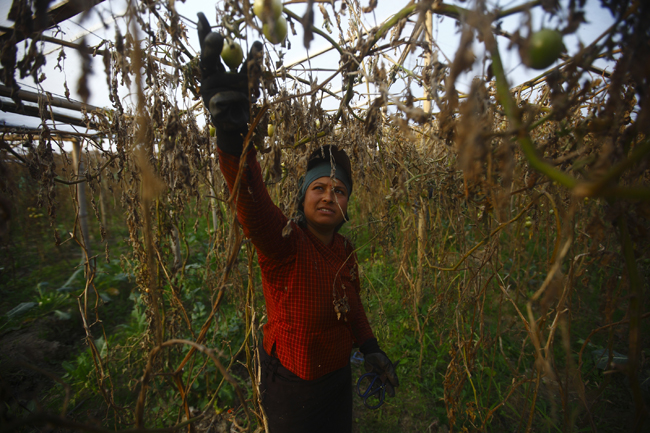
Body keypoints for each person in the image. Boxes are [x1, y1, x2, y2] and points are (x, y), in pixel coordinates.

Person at [197, 13, 399, 432]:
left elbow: (352, 305)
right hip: (291, 385)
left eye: (339, 190)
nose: (329, 196)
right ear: (302, 197)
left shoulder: (344, 251)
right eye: (319, 188)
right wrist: (235, 142)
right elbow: (251, 207)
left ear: (347, 203)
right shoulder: (284, 243)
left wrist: (371, 347)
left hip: (335, 379)